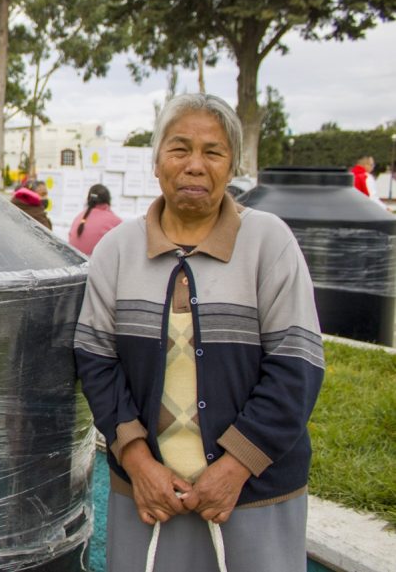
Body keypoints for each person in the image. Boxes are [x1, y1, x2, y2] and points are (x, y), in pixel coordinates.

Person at [74, 93, 324, 571]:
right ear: (156, 162)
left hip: (254, 492)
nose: (194, 165)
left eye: (213, 152)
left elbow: (297, 364)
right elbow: (96, 361)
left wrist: (235, 467)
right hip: (146, 493)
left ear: (232, 167)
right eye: (179, 148)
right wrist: (139, 462)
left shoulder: (269, 243)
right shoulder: (117, 252)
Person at [67, 183, 122, 256]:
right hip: (97, 265)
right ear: (108, 200)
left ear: (88, 200)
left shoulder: (79, 217)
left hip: (74, 263)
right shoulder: (115, 221)